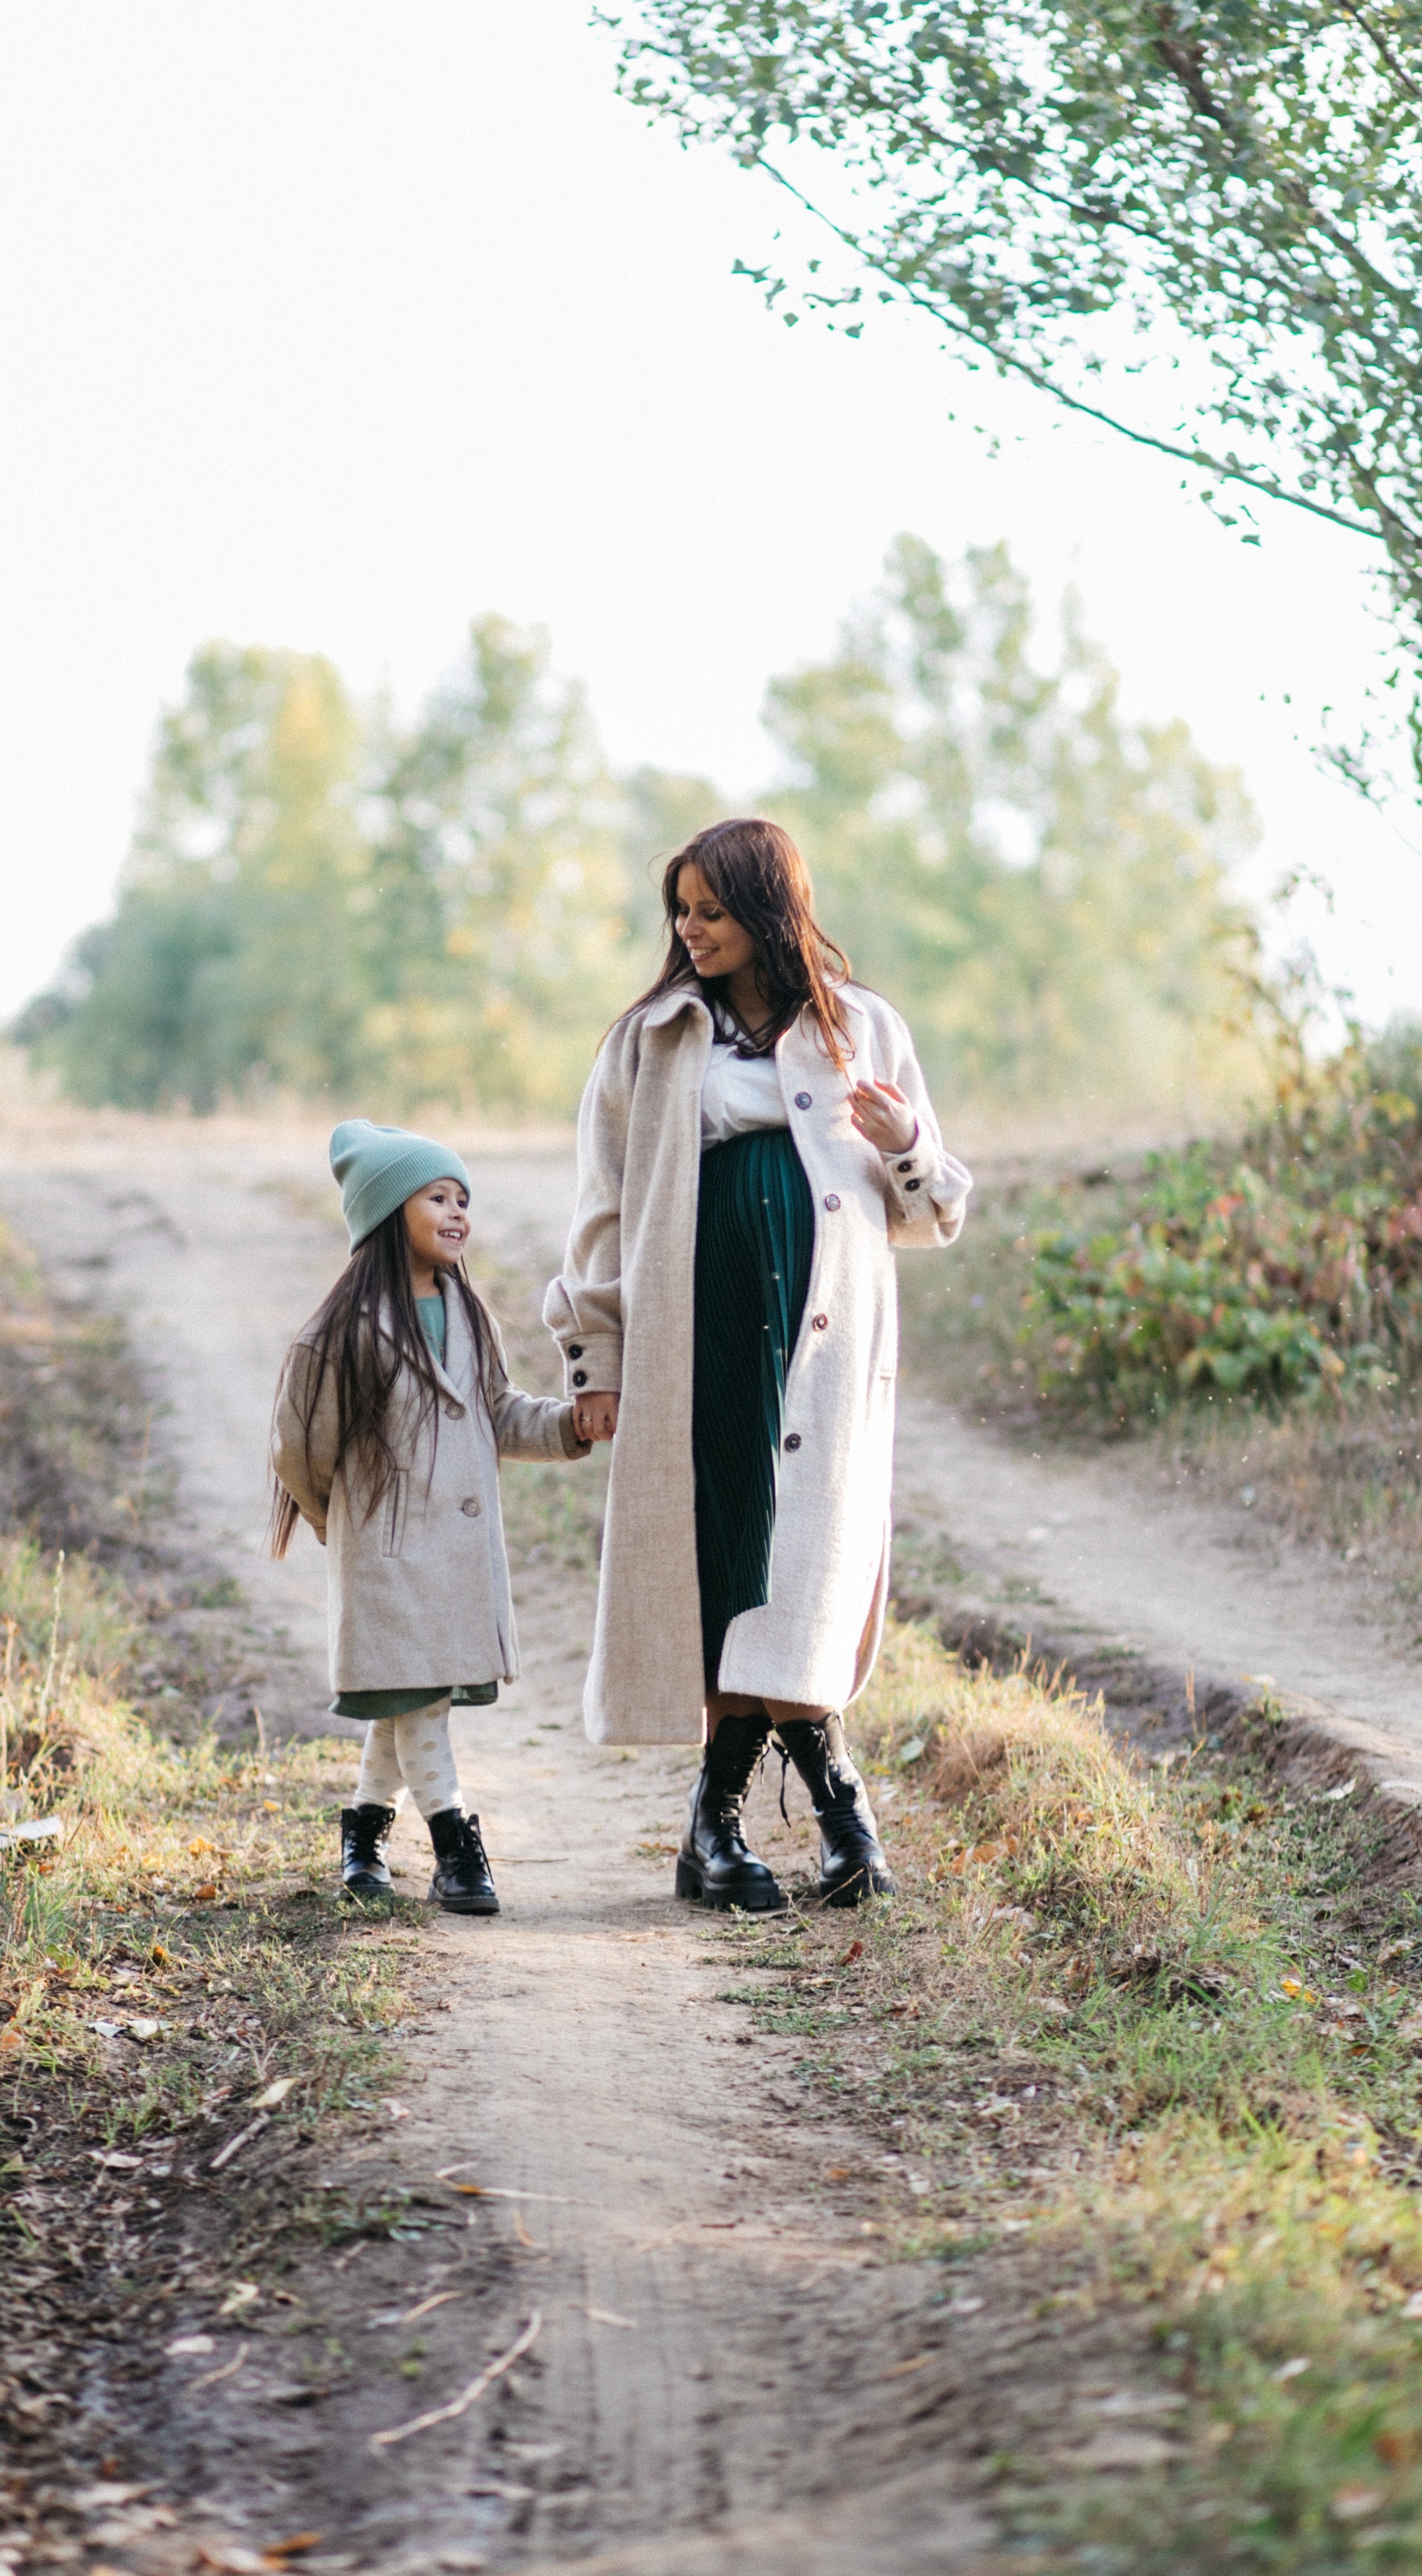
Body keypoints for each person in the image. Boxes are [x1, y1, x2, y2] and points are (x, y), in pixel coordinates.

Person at [544, 817, 970, 1911]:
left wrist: (902, 1143)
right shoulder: (650, 1040)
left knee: (803, 1565)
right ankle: (826, 1825)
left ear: (768, 911)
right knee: (729, 1561)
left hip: (826, 1339)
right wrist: (596, 1359)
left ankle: (742, 1832)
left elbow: (938, 1209)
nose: (691, 929)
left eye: (712, 910)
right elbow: (601, 1210)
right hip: (700, 1326)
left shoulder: (862, 1029)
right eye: (680, 910)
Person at [270, 1119, 589, 1916]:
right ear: (386, 1213)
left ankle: (364, 1838)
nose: (457, 1212)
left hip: (456, 1558)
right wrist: (341, 1528)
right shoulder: (339, 1333)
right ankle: (456, 1846)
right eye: (436, 1196)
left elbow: (498, 1413)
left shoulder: (468, 1312)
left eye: (463, 1198)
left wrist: (568, 1426)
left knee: (407, 1702)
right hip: (383, 1556)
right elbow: (299, 1449)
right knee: (419, 1704)